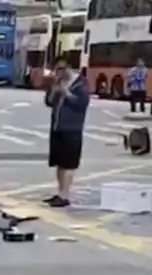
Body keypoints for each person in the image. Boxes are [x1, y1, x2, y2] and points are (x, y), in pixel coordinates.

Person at [44, 55, 90, 208]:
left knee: (69, 164)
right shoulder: (57, 81)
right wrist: (54, 91)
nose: (59, 73)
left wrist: (66, 92)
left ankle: (65, 195)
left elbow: (81, 104)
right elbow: (49, 102)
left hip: (72, 129)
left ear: (69, 68)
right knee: (59, 163)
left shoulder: (80, 83)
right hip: (57, 127)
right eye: (56, 70)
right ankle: (59, 193)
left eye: (62, 69)